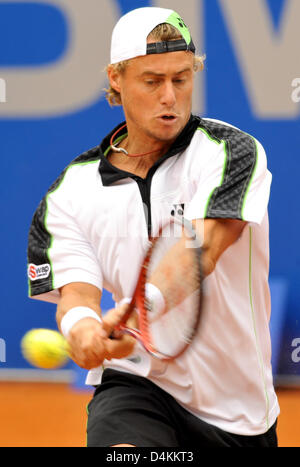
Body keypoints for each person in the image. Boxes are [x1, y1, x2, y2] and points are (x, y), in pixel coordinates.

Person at [27, 7, 279, 447]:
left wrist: (137, 312)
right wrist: (82, 329)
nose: (170, 96)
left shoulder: (230, 152)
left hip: (240, 413)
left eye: (181, 79)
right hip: (136, 386)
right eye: (152, 80)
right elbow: (76, 297)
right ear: (116, 78)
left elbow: (202, 248)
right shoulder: (69, 192)